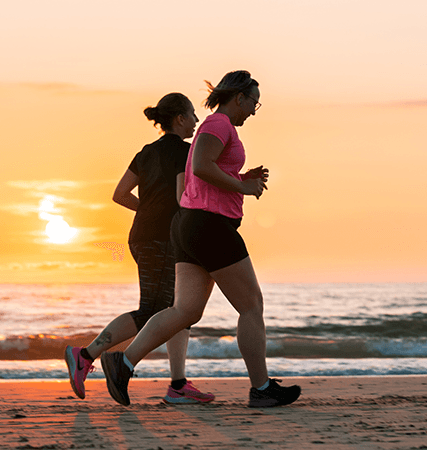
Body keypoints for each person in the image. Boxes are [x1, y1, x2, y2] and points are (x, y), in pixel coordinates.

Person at [101, 70, 302, 408]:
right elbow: (201, 167)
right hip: (210, 226)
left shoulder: (212, 127)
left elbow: (205, 174)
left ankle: (122, 362)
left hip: (190, 225)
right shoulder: (219, 124)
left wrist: (239, 176)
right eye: (254, 101)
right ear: (239, 97)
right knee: (251, 306)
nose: (254, 109)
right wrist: (242, 186)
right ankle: (261, 387)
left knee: (184, 311)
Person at [65, 93, 214, 404]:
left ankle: (178, 384)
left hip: (144, 235)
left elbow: (120, 194)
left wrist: (147, 211)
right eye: (192, 115)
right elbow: (180, 197)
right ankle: (86, 354)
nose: (197, 121)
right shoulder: (185, 153)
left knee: (178, 309)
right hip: (162, 238)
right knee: (153, 309)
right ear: (180, 119)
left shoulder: (145, 153)